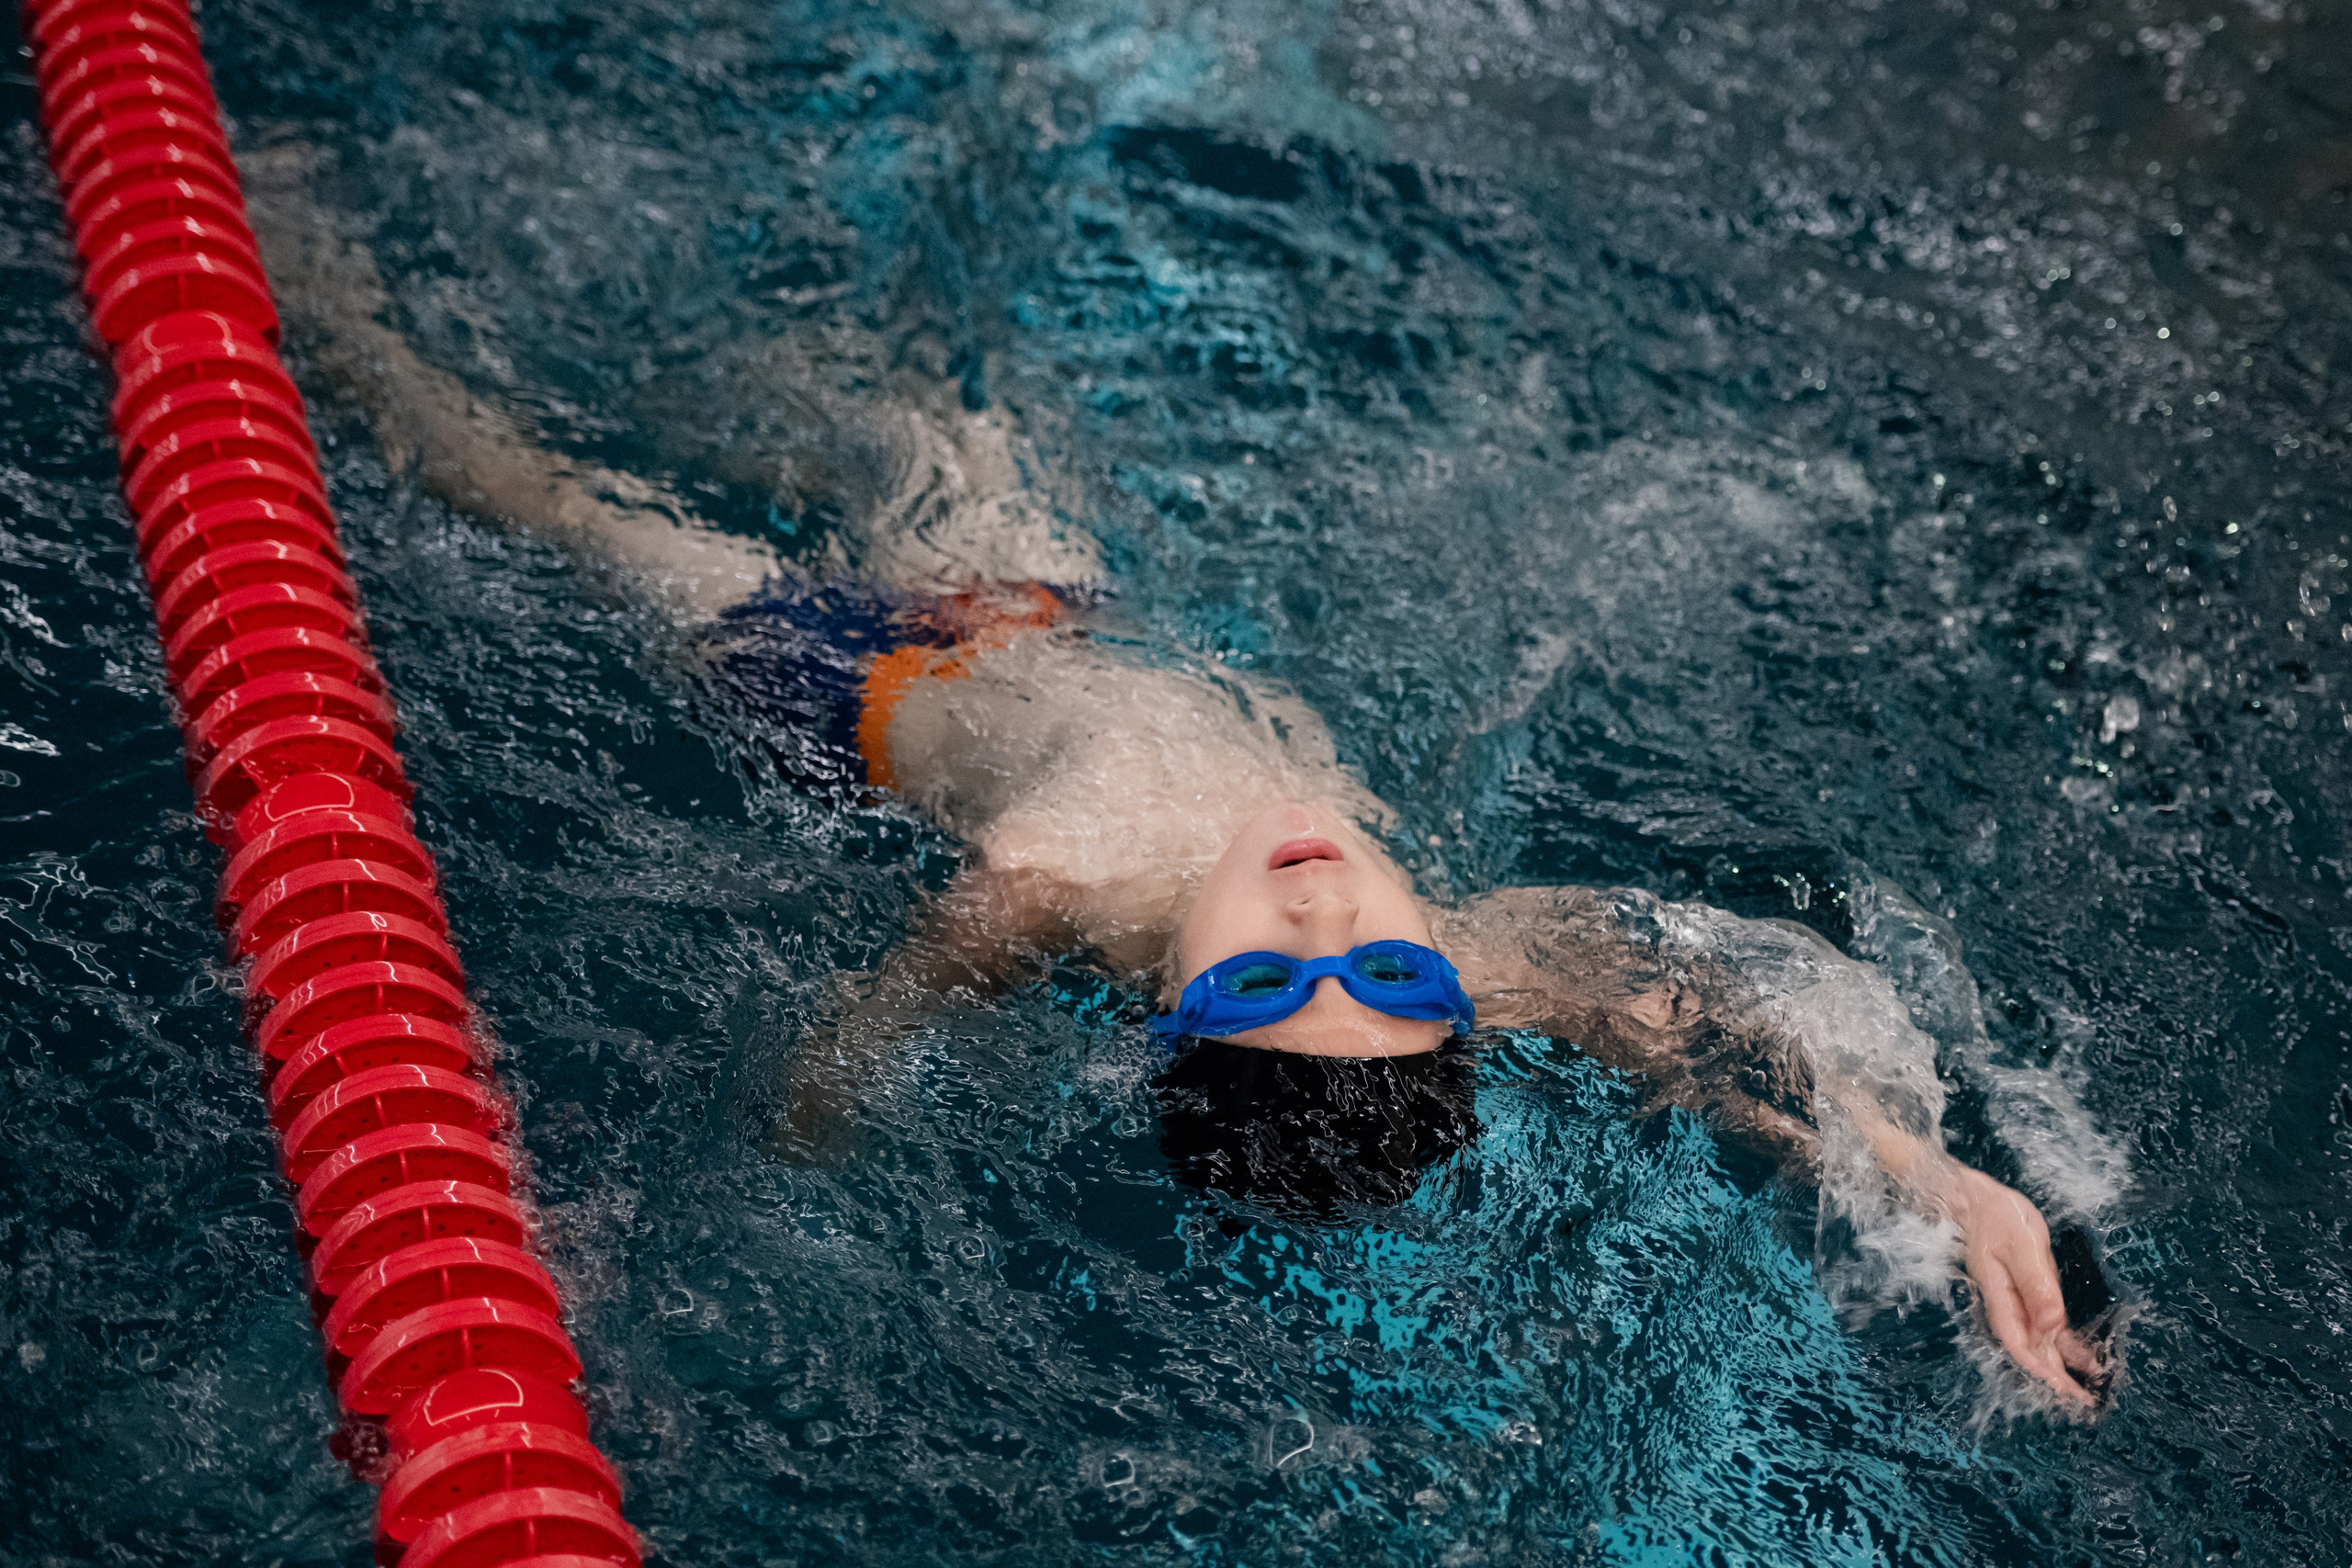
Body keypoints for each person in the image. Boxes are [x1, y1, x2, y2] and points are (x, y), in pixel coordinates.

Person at [246, 176, 2111, 1412]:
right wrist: (1926, 1170)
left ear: (1161, 1009)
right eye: (1387, 980)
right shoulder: (1460, 947)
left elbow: (844, 1049)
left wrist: (636, 1226)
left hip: (837, 679)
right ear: (1444, 995)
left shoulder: (1038, 880)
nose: (1324, 920)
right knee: (894, 408)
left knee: (534, 496)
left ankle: (314, 295)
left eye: (1254, 978)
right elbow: (1683, 1020)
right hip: (1047, 607)